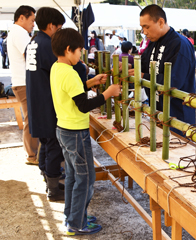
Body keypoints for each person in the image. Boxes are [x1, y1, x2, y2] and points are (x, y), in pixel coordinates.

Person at [50, 28, 121, 235]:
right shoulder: (70, 73)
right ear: (69, 49)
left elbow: (72, 92)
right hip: (75, 132)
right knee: (86, 178)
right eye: (80, 50)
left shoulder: (57, 68)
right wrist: (107, 94)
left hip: (63, 129)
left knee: (73, 176)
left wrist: (90, 82)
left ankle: (72, 216)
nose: (81, 54)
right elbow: (82, 105)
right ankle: (77, 224)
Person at [128, 4, 196, 136]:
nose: (144, 32)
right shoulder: (154, 42)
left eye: (146, 27)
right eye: (142, 28)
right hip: (159, 111)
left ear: (160, 22)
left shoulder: (180, 44)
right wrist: (129, 67)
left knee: (176, 153)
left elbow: (173, 82)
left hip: (178, 115)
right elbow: (143, 65)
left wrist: (143, 75)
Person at [25, 7, 66, 201]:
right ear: (51, 26)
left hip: (36, 100)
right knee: (54, 146)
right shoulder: (48, 45)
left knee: (45, 143)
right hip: (47, 103)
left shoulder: (32, 42)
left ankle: (47, 178)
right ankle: (54, 189)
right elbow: (60, 71)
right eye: (59, 28)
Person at [7, 5, 39, 165]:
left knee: (31, 118)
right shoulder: (19, 32)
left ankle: (32, 154)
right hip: (24, 83)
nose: (34, 24)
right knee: (32, 118)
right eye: (32, 20)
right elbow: (31, 56)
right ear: (22, 18)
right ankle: (32, 155)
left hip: (22, 82)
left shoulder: (16, 32)